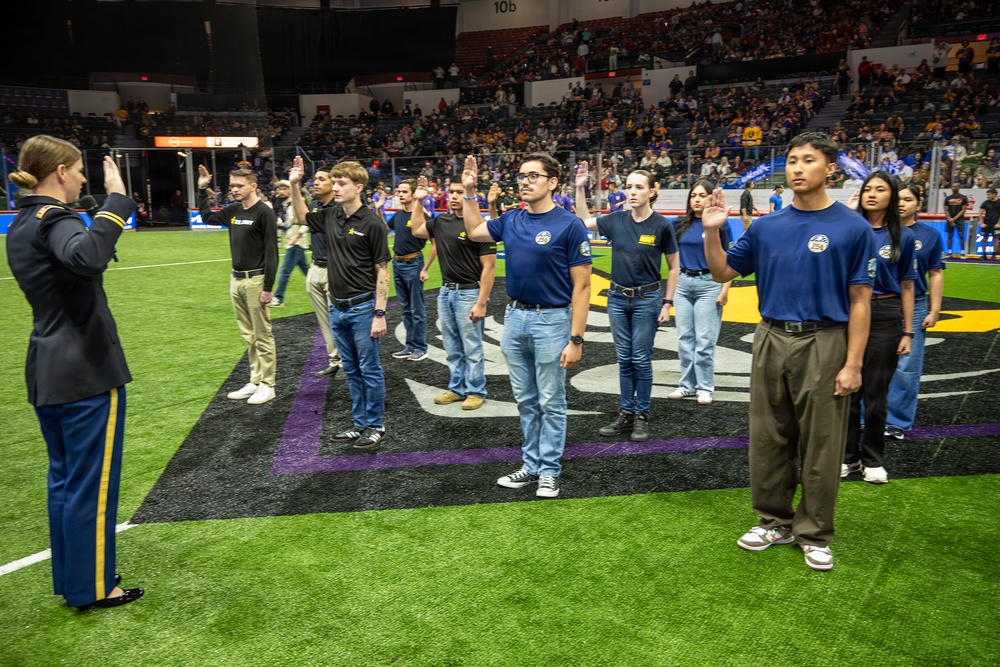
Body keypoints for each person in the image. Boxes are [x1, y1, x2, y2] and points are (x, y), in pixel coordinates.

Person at [701, 132, 877, 571]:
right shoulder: (766, 226)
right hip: (771, 335)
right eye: (793, 161)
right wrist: (711, 232)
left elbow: (861, 300)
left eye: (808, 160)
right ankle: (774, 520)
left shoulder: (852, 227)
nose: (798, 168)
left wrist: (853, 363)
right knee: (767, 434)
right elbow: (723, 269)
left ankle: (814, 531)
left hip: (826, 339)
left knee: (822, 441)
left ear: (830, 169)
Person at [7, 136, 144, 609]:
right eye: (80, 170)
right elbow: (87, 257)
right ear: (60, 172)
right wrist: (116, 202)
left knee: (65, 482)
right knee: (91, 484)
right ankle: (95, 587)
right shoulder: (55, 217)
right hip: (85, 370)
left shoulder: (22, 221)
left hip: (47, 367)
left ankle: (74, 579)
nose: (84, 178)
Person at [460, 153, 592, 498]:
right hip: (515, 318)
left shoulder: (570, 224)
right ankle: (530, 465)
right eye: (521, 176)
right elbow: (474, 232)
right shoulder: (511, 219)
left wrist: (576, 338)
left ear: (552, 182)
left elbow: (583, 286)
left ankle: (549, 470)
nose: (524, 181)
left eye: (533, 175)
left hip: (553, 319)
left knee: (551, 399)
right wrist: (470, 193)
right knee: (526, 400)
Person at [289, 156, 391, 450]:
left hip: (362, 308)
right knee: (351, 369)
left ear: (358, 186)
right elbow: (300, 217)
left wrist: (380, 312)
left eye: (341, 183)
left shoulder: (372, 223)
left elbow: (383, 269)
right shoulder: (331, 214)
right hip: (337, 307)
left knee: (370, 369)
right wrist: (296, 184)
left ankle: (376, 425)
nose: (335, 187)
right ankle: (359, 423)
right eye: (333, 182)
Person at [574, 163, 679, 440]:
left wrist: (667, 303)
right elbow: (584, 222)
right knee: (624, 359)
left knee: (641, 359)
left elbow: (674, 266)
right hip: (617, 299)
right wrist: (580, 187)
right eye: (629, 186)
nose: (632, 192)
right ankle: (626, 412)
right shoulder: (617, 220)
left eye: (639, 187)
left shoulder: (662, 226)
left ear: (652, 192)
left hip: (648, 300)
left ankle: (642, 414)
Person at [842, 172, 916, 484]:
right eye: (867, 189)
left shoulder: (904, 237)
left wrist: (908, 331)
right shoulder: (848, 230)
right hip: (847, 312)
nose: (872, 194)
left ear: (892, 195)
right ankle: (848, 459)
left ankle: (873, 459)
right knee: (845, 392)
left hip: (885, 312)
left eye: (880, 189)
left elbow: (908, 287)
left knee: (876, 394)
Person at [410, 178, 497, 410]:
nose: (455, 196)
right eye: (452, 192)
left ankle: (476, 391)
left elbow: (489, 267)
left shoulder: (479, 226)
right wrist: (418, 201)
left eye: (460, 192)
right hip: (446, 292)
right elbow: (417, 229)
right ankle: (457, 388)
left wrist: (481, 302)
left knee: (472, 346)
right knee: (451, 345)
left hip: (469, 292)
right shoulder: (441, 221)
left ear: (470, 195)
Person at [197, 165, 278, 405]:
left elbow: (272, 253)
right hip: (236, 279)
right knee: (249, 335)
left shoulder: (264, 213)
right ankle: (255, 380)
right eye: (232, 185)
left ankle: (268, 384)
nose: (234, 190)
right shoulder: (233, 210)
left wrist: (268, 288)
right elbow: (207, 217)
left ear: (253, 186)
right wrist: (203, 190)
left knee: (262, 334)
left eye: (239, 186)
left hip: (256, 280)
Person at [885, 185, 946, 439]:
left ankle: (897, 421)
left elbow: (936, 273)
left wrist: (935, 310)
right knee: (872, 362)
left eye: (908, 199)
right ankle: (866, 417)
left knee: (907, 365)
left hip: (917, 304)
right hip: (880, 303)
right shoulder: (877, 231)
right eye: (897, 199)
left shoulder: (930, 236)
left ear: (918, 205)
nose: (901, 203)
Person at [668, 180, 732, 406]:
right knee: (685, 339)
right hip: (683, 285)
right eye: (693, 195)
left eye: (702, 195)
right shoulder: (678, 224)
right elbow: (671, 258)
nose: (697, 199)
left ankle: (705, 387)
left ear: (710, 198)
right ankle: (687, 386)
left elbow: (728, 259)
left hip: (710, 284)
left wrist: (724, 290)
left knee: (704, 341)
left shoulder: (719, 225)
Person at [387, 179, 435, 361]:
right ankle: (410, 345)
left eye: (404, 192)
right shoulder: (399, 215)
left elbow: (435, 244)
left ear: (414, 194)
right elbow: (383, 228)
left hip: (414, 264)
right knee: (405, 309)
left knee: (417, 310)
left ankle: (421, 347)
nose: (400, 194)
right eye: (398, 191)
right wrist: (378, 209)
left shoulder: (422, 215)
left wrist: (425, 268)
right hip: (397, 263)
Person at [306, 167, 341, 378]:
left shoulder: (339, 208)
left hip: (334, 269)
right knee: (324, 321)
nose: (316, 183)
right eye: (314, 179)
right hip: (315, 267)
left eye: (321, 179)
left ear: (332, 183)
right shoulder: (313, 206)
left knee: (339, 318)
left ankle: (347, 362)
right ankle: (334, 360)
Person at [271, 180, 310, 308]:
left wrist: (296, 236)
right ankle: (327, 290)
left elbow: (306, 222)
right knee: (309, 272)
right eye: (279, 189)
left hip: (296, 242)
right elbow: (289, 224)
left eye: (283, 189)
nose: (280, 191)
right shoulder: (287, 204)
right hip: (293, 242)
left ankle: (278, 298)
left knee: (284, 271)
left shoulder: (297, 203)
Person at [943, 183, 968, 257]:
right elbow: (946, 210)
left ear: (959, 187)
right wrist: (950, 219)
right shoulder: (948, 198)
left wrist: (954, 219)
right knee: (950, 235)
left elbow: (963, 210)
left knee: (961, 235)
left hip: (959, 219)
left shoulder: (963, 198)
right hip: (950, 218)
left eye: (954, 186)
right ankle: (949, 252)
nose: (952, 188)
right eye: (952, 186)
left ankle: (962, 252)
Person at [978, 187, 1000, 260]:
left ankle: (994, 254)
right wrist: (982, 223)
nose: (988, 196)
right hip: (987, 223)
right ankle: (984, 254)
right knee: (984, 239)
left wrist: (998, 223)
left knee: (995, 239)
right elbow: (980, 213)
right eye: (987, 194)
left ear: (994, 194)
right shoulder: (985, 203)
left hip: (995, 224)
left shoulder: (999, 202)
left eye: (989, 194)